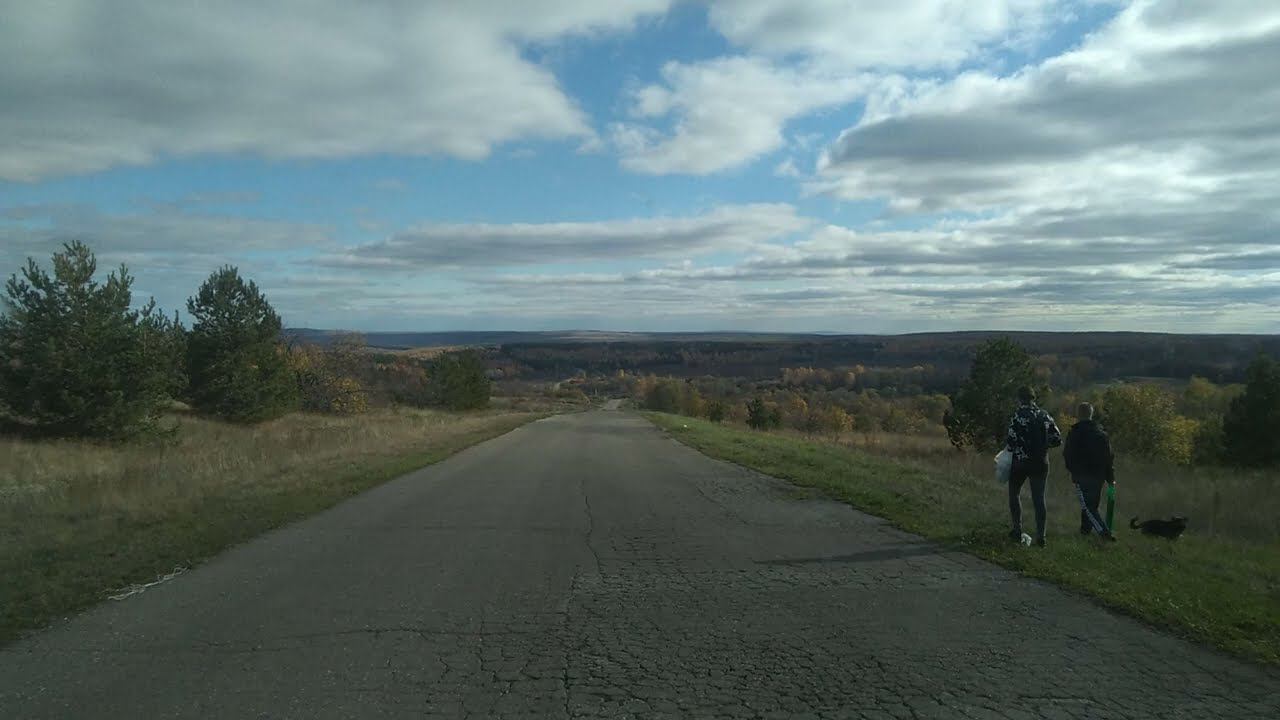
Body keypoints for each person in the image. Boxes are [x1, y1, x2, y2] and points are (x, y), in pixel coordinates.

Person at [1005, 386, 1061, 547]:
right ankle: (1041, 536)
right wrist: (1043, 446)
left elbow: (1010, 442)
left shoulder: (1017, 416)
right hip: (1040, 462)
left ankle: (1017, 529)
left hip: (1021, 462)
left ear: (1019, 398)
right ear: (1033, 398)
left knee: (1014, 493)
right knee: (1039, 498)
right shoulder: (1045, 416)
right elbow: (1057, 439)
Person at [1063, 402, 1117, 540]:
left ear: (1078, 414)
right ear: (1091, 414)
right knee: (1091, 505)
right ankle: (1085, 532)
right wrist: (1110, 478)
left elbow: (1067, 454)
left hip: (1082, 476)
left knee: (1088, 507)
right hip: (1098, 476)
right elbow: (1109, 457)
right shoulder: (1101, 433)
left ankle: (1105, 534)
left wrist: (1073, 470)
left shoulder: (1075, 432)